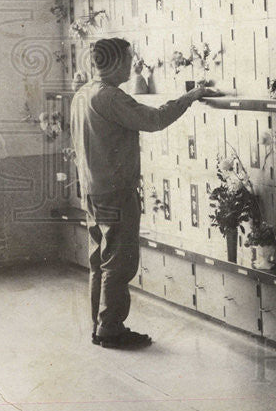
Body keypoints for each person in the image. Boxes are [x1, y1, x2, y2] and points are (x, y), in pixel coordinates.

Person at [71, 37, 220, 349]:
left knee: (100, 260)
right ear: (112, 63)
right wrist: (190, 96)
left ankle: (99, 327)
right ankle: (111, 329)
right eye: (127, 59)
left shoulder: (83, 94)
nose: (130, 64)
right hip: (115, 191)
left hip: (91, 189)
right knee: (118, 263)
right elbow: (154, 120)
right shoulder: (110, 96)